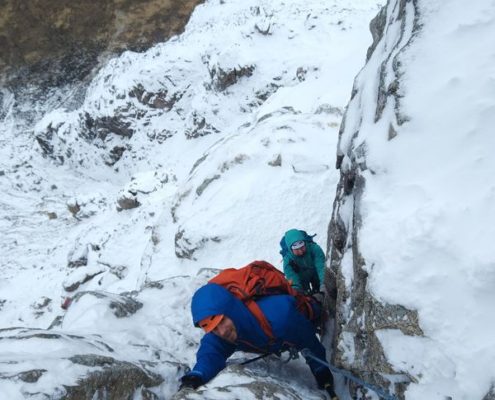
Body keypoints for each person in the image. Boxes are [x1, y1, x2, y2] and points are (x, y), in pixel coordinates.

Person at [179, 281, 339, 399]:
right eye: (213, 328)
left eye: (221, 321)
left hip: (297, 314)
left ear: (231, 310)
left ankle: (317, 298)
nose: (222, 331)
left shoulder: (280, 317)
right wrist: (197, 375)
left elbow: (308, 341)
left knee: (314, 309)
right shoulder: (222, 332)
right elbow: (211, 353)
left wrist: (321, 370)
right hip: (276, 337)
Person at [282, 229, 326, 294]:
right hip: (301, 280)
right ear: (290, 249)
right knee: (304, 295)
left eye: (302, 247)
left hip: (316, 275)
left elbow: (321, 266)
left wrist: (324, 283)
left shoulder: (314, 249)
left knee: (320, 288)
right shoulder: (288, 261)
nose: (300, 251)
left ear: (305, 243)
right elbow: (292, 278)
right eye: (296, 249)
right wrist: (297, 292)